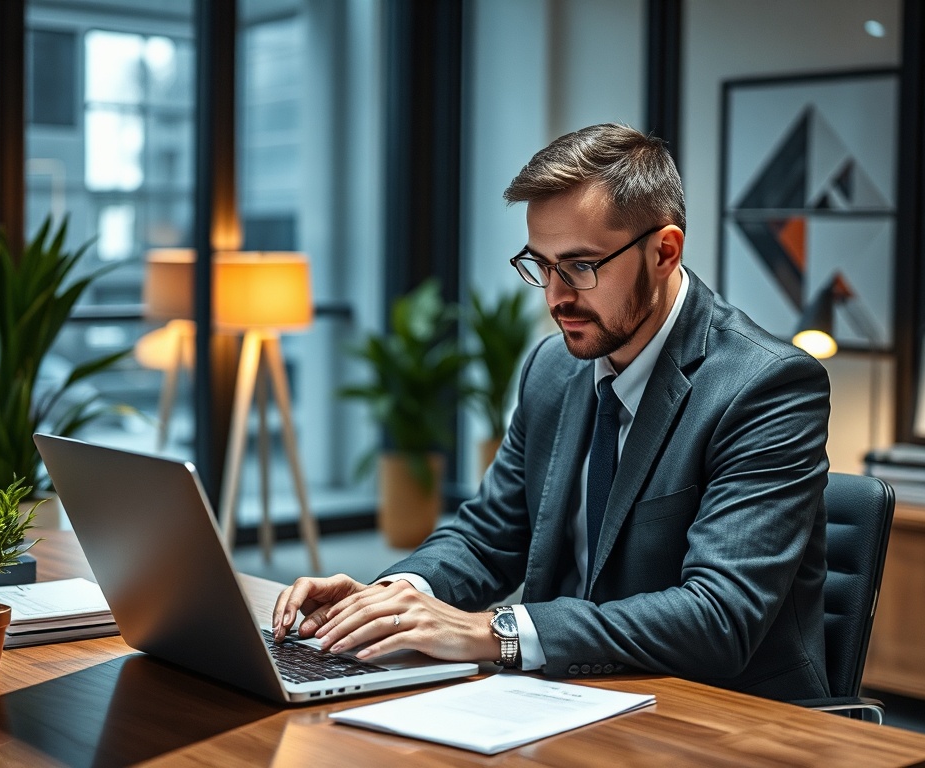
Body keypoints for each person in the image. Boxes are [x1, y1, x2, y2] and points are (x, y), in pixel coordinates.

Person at [273, 123, 831, 701]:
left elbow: (719, 615)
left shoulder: (766, 386)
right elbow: (492, 534)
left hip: (721, 714)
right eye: (540, 264)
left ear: (664, 251)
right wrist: (391, 598)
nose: (556, 296)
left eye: (581, 266)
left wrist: (495, 631)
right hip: (564, 695)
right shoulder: (553, 367)